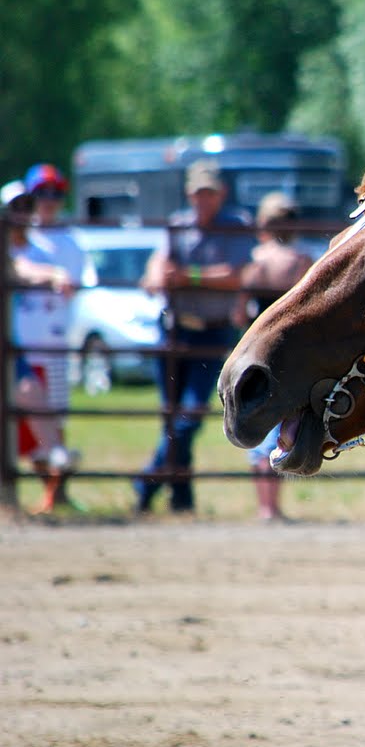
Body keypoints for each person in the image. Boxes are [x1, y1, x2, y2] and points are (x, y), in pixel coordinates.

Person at [135, 161, 254, 514]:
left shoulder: (236, 227)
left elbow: (234, 276)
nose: (204, 200)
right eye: (198, 193)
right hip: (173, 330)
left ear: (221, 194)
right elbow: (159, 265)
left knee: (189, 415)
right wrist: (158, 274)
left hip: (211, 331)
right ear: (190, 195)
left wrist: (186, 275)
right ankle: (181, 496)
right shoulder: (178, 225)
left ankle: (146, 481)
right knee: (173, 418)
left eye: (210, 193)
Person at [5, 176, 85, 513]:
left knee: (30, 395)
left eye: (27, 206)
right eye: (15, 208)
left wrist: (51, 274)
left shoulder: (29, 250)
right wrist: (51, 274)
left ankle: (55, 458)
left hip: (16, 347)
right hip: (17, 346)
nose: (23, 213)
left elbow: (19, 267)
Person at [234, 193, 314, 520]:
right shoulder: (300, 261)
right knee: (284, 418)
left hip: (255, 348)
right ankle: (274, 506)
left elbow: (239, 312)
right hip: (288, 350)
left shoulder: (255, 260)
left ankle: (264, 506)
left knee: (257, 416)